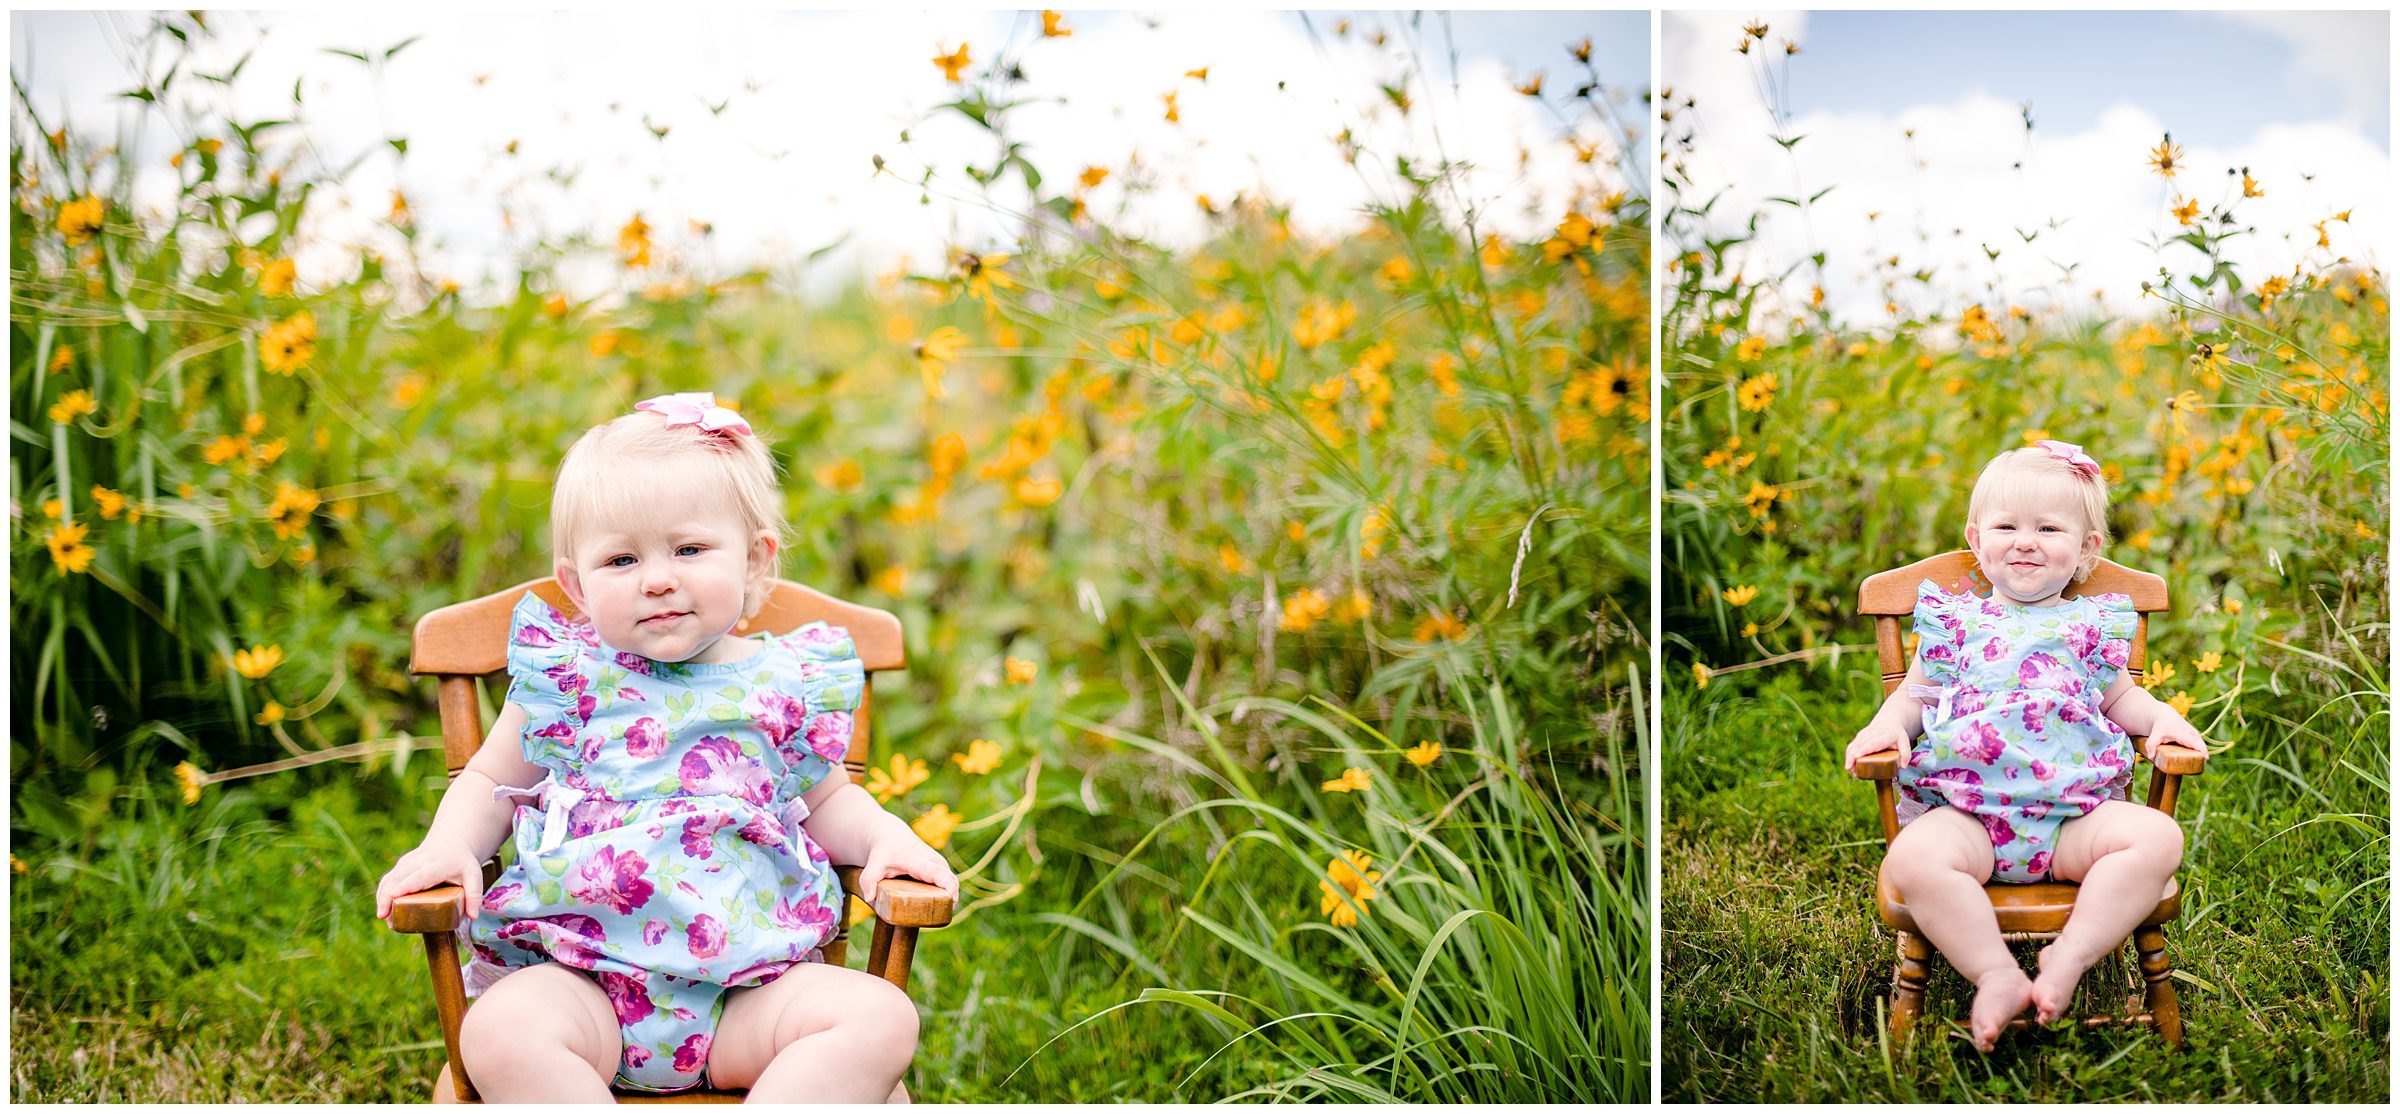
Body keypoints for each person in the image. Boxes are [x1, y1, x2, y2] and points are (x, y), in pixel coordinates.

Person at [374, 392, 958, 1100]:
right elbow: (488, 777)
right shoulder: (570, 680)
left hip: (752, 996)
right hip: (585, 985)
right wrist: (450, 846)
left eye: (688, 549)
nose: (657, 578)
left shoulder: (781, 682)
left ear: (753, 562)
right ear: (576, 587)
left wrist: (887, 839)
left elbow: (830, 797)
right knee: (496, 1032)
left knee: (881, 1018)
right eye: (621, 559)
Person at [1842, 440, 2205, 1052]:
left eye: (2048, 527)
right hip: (1968, 819)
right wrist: (1886, 727)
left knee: (2160, 838)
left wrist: (2162, 717)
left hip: (2074, 822)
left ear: (2088, 549)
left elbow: (2122, 701)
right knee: (1910, 860)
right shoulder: (1955, 623)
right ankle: (1996, 974)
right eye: (2007, 526)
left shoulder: (2090, 625)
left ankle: (2072, 954)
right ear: (1977, 541)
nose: (2025, 540)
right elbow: (1914, 697)